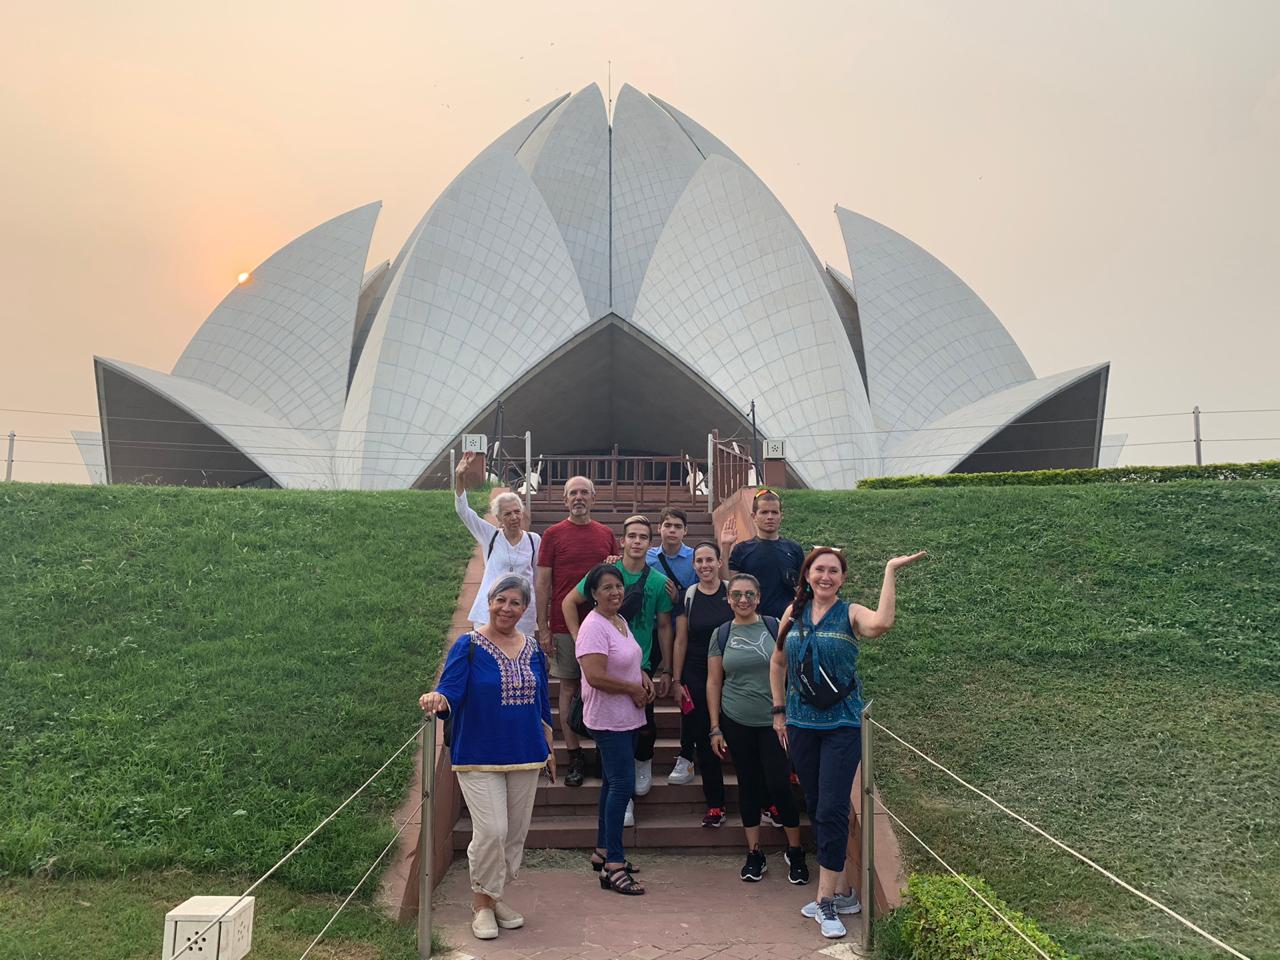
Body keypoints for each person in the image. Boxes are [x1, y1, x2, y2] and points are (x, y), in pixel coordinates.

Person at [769, 546, 926, 939]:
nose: (825, 576)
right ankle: (840, 892)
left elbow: (881, 624)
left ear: (842, 578)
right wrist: (778, 711)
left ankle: (824, 901)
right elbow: (777, 662)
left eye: (833, 571)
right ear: (807, 575)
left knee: (835, 807)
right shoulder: (793, 613)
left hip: (841, 724)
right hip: (801, 725)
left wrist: (890, 570)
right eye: (819, 569)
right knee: (819, 804)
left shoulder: (850, 613)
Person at [418, 575, 554, 941]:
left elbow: (542, 701)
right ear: (489, 601)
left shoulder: (532, 649)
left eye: (515, 603)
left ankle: (494, 899)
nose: (506, 609)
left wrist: (549, 745)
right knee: (492, 831)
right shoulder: (469, 646)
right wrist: (439, 700)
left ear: (524, 609)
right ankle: (480, 905)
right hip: (478, 753)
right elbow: (450, 688)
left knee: (514, 835)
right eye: (500, 600)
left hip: (526, 753)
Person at [563, 515, 673, 825]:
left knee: (643, 725)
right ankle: (620, 802)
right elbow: (569, 601)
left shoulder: (656, 581)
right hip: (605, 661)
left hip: (639, 662)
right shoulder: (606, 572)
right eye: (632, 536)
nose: (637, 541)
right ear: (621, 541)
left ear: (650, 544)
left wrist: (666, 668)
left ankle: (641, 765)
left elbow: (664, 625)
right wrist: (578, 638)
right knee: (609, 735)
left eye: (643, 537)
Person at [708, 573, 807, 882]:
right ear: (728, 598)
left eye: (749, 594)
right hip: (736, 720)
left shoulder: (774, 626)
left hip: (774, 722)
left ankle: (795, 851)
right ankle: (754, 853)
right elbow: (714, 681)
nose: (743, 600)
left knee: (779, 785)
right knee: (748, 786)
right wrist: (715, 727)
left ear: (759, 597)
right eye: (736, 594)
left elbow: (791, 669)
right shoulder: (721, 634)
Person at [535, 476, 619, 787]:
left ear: (594, 499)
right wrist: (542, 627)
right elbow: (543, 583)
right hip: (563, 627)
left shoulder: (606, 534)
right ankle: (574, 755)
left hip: (603, 626)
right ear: (565, 500)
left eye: (584, 492)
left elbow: (616, 576)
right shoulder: (553, 534)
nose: (579, 497)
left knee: (601, 688)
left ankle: (602, 751)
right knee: (569, 688)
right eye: (573, 493)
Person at [575, 563, 654, 895]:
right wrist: (632, 689)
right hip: (608, 718)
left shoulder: (619, 620)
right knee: (622, 786)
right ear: (593, 594)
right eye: (606, 588)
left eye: (618, 586)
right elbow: (595, 676)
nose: (615, 592)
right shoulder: (593, 626)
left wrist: (643, 678)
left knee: (611, 783)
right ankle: (614, 865)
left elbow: (629, 659)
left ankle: (603, 850)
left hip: (627, 715)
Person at [671, 541, 729, 825]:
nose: (705, 566)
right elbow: (680, 639)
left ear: (719, 562)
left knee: (741, 736)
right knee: (706, 740)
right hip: (696, 671)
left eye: (710, 560)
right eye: (699, 561)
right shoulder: (688, 595)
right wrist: (677, 678)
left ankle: (766, 800)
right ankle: (715, 804)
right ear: (693, 566)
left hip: (732, 673)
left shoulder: (733, 593)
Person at [454, 451, 541, 636]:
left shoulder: (534, 541)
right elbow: (464, 511)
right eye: (507, 514)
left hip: (522, 615)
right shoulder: (490, 536)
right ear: (499, 518)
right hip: (488, 613)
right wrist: (459, 477)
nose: (514, 517)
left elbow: (537, 579)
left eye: (517, 511)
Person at [647, 507, 699, 786]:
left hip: (684, 634)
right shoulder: (647, 556)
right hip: (650, 632)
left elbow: (705, 589)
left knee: (686, 692)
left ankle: (687, 754)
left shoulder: (694, 558)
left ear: (685, 531)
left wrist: (679, 598)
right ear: (659, 528)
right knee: (642, 689)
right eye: (667, 525)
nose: (672, 530)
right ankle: (641, 753)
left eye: (677, 526)